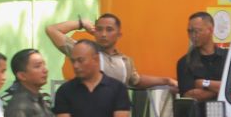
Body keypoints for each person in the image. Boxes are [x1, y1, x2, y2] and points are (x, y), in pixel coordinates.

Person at [45, 13, 176, 90]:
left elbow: (136, 80)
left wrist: (166, 81)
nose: (103, 34)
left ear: (119, 34)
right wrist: (81, 23)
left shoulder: (125, 61)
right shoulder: (83, 52)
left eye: (109, 30)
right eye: (99, 29)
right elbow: (52, 30)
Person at [177, 11, 228, 117]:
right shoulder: (185, 62)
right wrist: (224, 88)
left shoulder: (227, 58)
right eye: (189, 31)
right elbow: (190, 95)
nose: (193, 35)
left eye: (197, 31)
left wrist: (203, 83)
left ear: (210, 29)